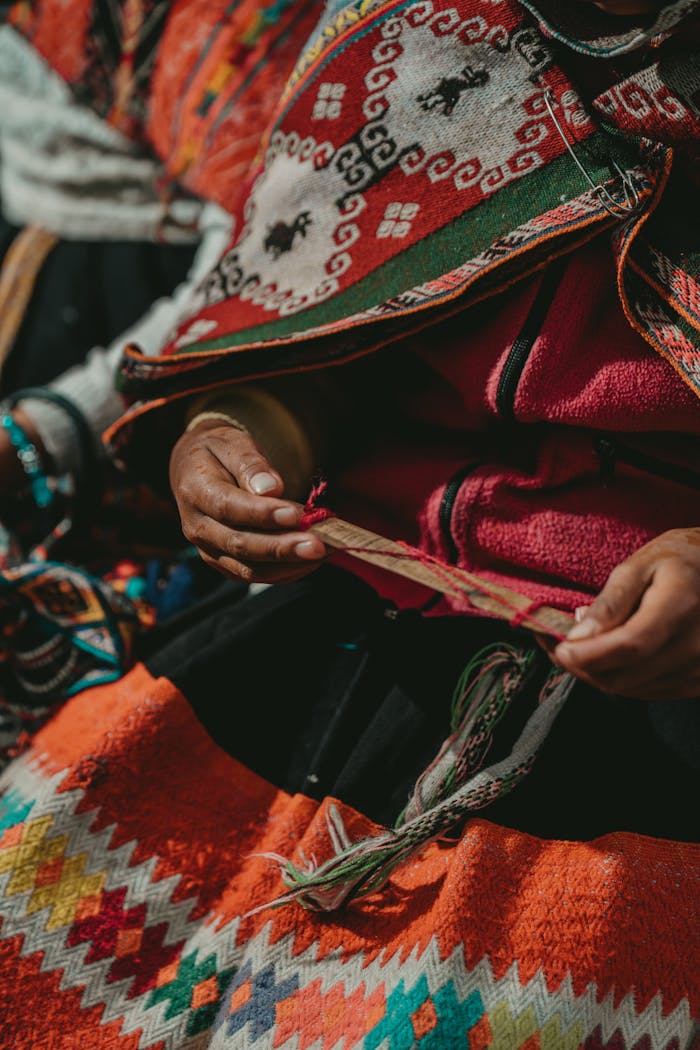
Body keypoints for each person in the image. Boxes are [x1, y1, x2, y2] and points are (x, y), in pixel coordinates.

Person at [1, 0, 698, 1047]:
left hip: (637, 728)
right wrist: (243, 431)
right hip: (332, 633)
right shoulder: (423, 34)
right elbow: (318, 350)